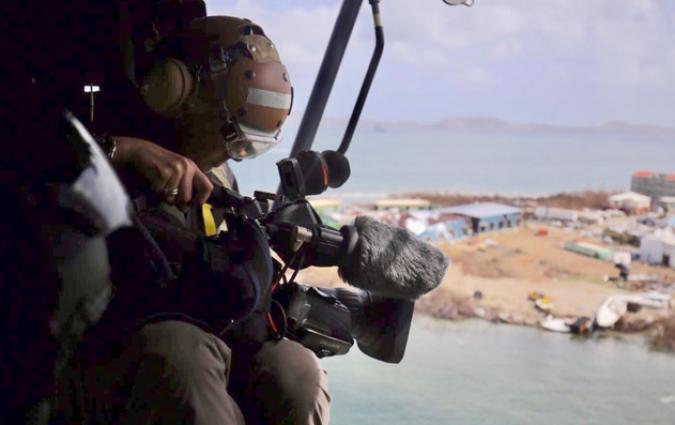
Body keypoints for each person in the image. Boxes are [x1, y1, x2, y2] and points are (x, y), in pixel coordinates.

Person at [59, 15, 331, 425]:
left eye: (245, 147)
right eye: (229, 136)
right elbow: (29, 172)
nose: (228, 155)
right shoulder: (98, 140)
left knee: (295, 371)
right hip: (81, 354)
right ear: (173, 90)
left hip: (188, 351)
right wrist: (120, 152)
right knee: (180, 351)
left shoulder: (216, 179)